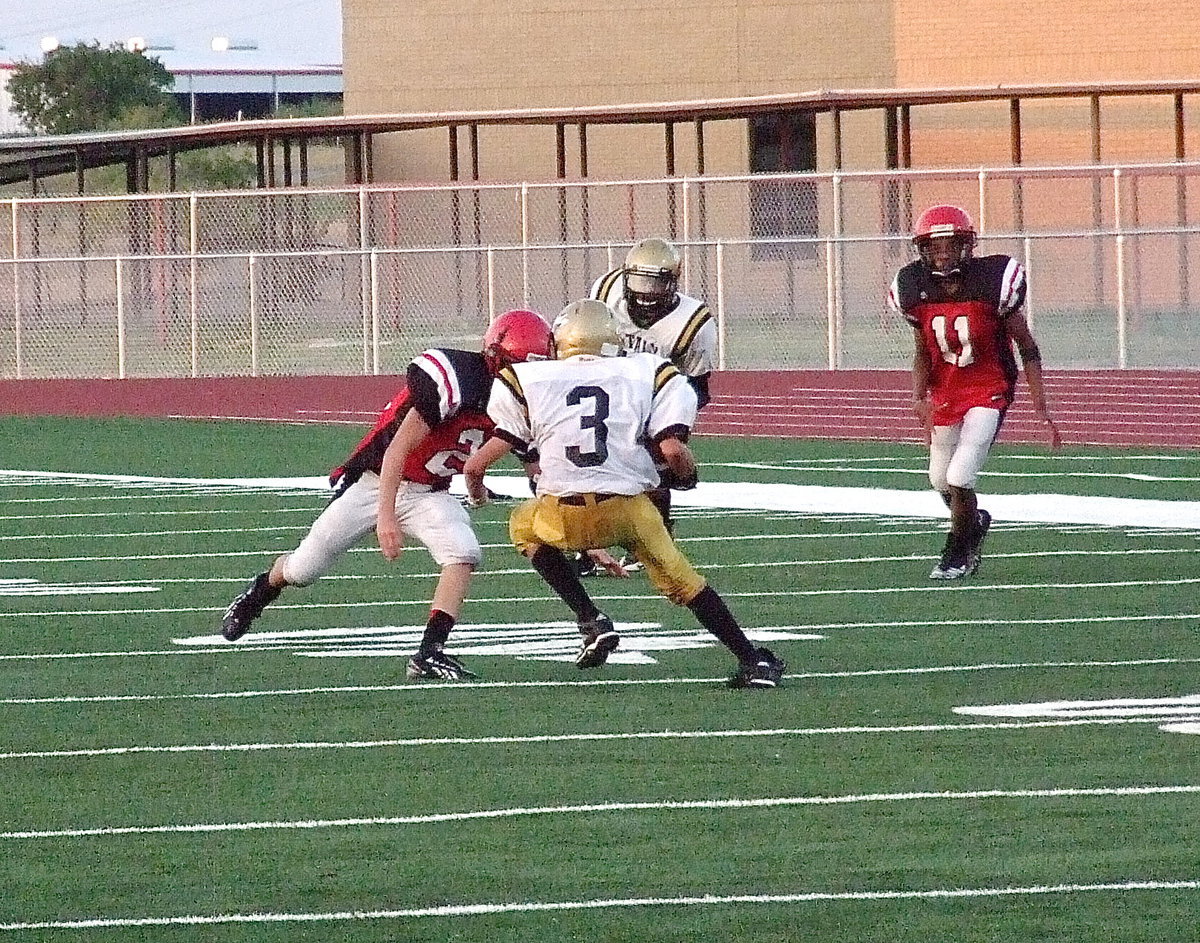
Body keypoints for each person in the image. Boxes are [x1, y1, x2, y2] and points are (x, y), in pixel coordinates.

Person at [462, 299, 785, 689]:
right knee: (686, 582)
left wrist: (477, 494)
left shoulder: (526, 380)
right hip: (629, 512)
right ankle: (752, 660)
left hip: (561, 514)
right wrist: (685, 476)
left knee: (523, 526)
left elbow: (476, 467)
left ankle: (589, 617)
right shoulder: (648, 371)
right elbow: (672, 451)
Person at [220, 309, 555, 680]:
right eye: (518, 367)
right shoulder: (459, 381)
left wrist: (578, 533)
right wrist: (386, 518)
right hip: (377, 482)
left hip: (430, 491)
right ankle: (260, 590)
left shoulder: (521, 400)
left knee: (463, 551)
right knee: (303, 569)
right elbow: (396, 451)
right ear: (495, 358)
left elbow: (538, 473)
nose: (524, 378)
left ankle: (430, 653)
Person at [887, 204, 1062, 580]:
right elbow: (922, 351)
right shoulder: (914, 288)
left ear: (967, 246)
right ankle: (973, 522)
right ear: (924, 250)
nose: (944, 254)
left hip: (989, 386)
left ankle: (957, 551)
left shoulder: (992, 281)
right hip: (947, 390)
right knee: (939, 478)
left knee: (961, 475)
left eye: (951, 245)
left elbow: (1027, 346)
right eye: (936, 247)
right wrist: (919, 397)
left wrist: (1040, 406)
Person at [582, 236, 718, 574]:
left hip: (657, 394)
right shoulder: (607, 289)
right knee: (591, 464)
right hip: (606, 383)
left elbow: (697, 385)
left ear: (672, 282)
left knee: (653, 470)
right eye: (639, 280)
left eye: (654, 282)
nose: (644, 292)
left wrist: (668, 420)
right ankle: (587, 545)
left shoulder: (694, 322)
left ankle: (658, 535)